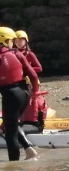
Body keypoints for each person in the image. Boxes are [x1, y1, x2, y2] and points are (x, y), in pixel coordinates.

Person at [0, 26, 40, 161]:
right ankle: (29, 150)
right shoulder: (17, 54)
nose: (13, 42)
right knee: (11, 124)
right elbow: (33, 75)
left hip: (10, 95)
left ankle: (14, 168)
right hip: (24, 93)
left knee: (10, 133)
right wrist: (34, 92)